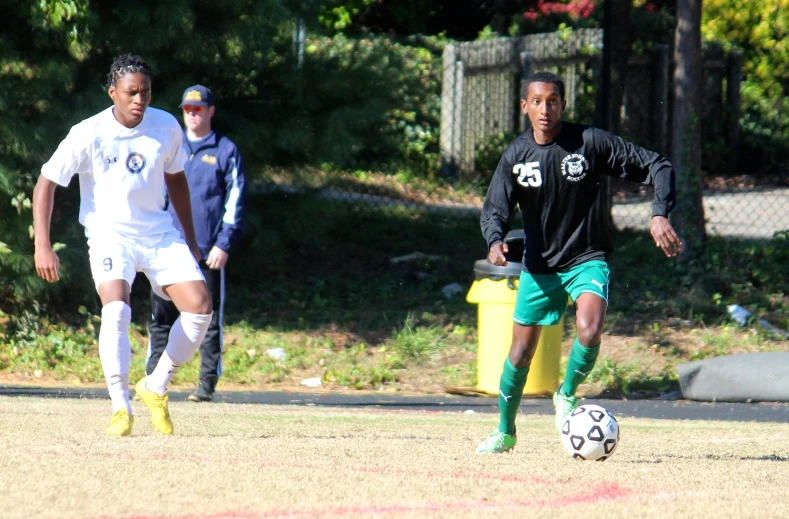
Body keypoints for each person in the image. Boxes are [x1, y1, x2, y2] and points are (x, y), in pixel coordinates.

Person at [475, 71, 682, 454]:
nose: (545, 109)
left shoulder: (589, 142)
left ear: (563, 105)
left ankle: (566, 394)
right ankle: (505, 431)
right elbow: (494, 210)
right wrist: (495, 241)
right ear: (524, 107)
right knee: (519, 353)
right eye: (536, 101)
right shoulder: (516, 156)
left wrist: (659, 214)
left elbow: (659, 165)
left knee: (590, 328)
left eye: (552, 101)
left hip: (587, 257)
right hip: (540, 267)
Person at [33, 54, 213, 436]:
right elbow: (46, 182)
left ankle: (155, 386)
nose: (139, 100)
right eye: (131, 92)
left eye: (145, 92)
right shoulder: (89, 132)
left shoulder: (166, 126)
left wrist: (191, 238)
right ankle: (120, 406)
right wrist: (42, 245)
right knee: (116, 307)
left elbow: (176, 178)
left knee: (199, 309)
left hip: (158, 233)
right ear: (112, 91)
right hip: (109, 233)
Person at [145, 84, 247, 402]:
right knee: (160, 318)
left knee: (207, 319)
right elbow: (155, 197)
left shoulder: (226, 151)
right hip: (167, 249)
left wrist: (223, 245)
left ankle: (206, 384)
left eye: (198, 109)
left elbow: (235, 201)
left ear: (211, 111)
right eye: (187, 109)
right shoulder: (171, 147)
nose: (192, 114)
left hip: (206, 252)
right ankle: (152, 381)